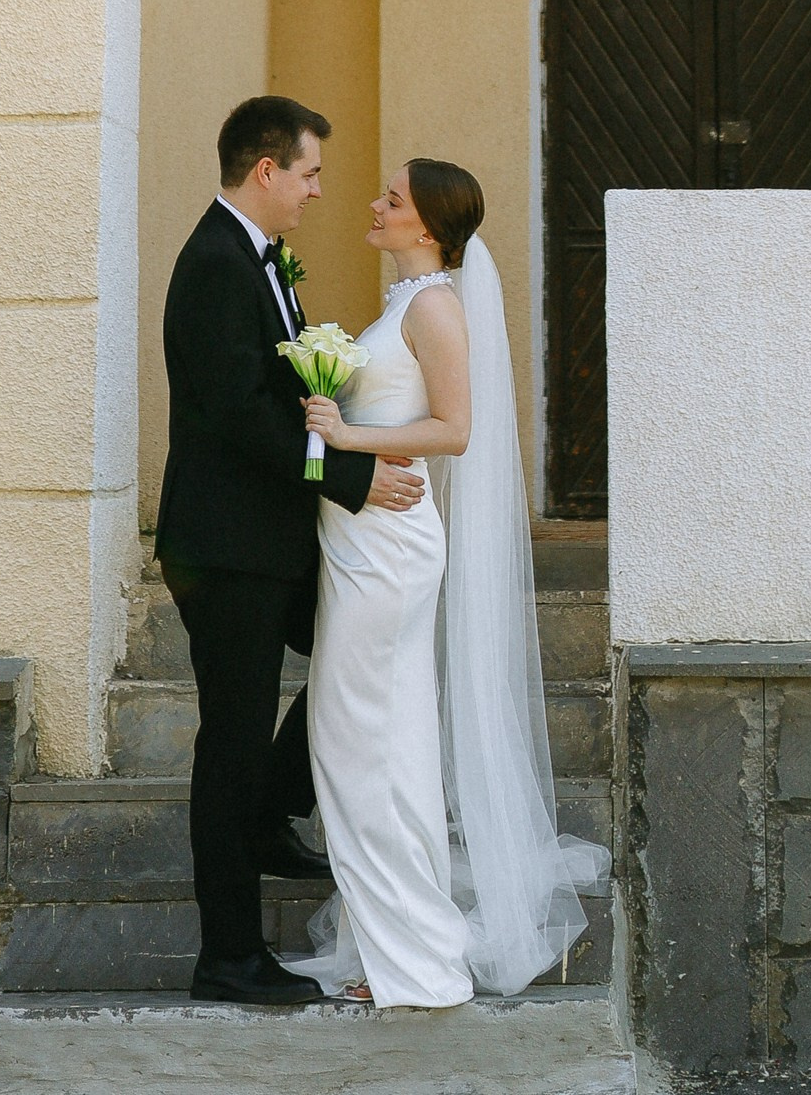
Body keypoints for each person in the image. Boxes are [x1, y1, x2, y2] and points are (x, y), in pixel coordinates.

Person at [295, 158, 607, 1008]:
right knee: (378, 745)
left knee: (362, 745)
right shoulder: (404, 302)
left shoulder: (434, 306)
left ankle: (414, 961)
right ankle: (395, 948)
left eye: (390, 198)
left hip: (390, 546)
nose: (374, 203)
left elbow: (456, 429)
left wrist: (342, 438)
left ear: (427, 225)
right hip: (362, 542)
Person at [155, 96, 428, 1008]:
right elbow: (240, 416)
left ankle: (275, 806)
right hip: (227, 551)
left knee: (357, 650)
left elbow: (282, 393)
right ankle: (227, 956)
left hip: (271, 542)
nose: (317, 191)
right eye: (309, 173)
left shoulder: (256, 258)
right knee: (228, 744)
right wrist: (351, 480)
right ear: (265, 171)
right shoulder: (212, 266)